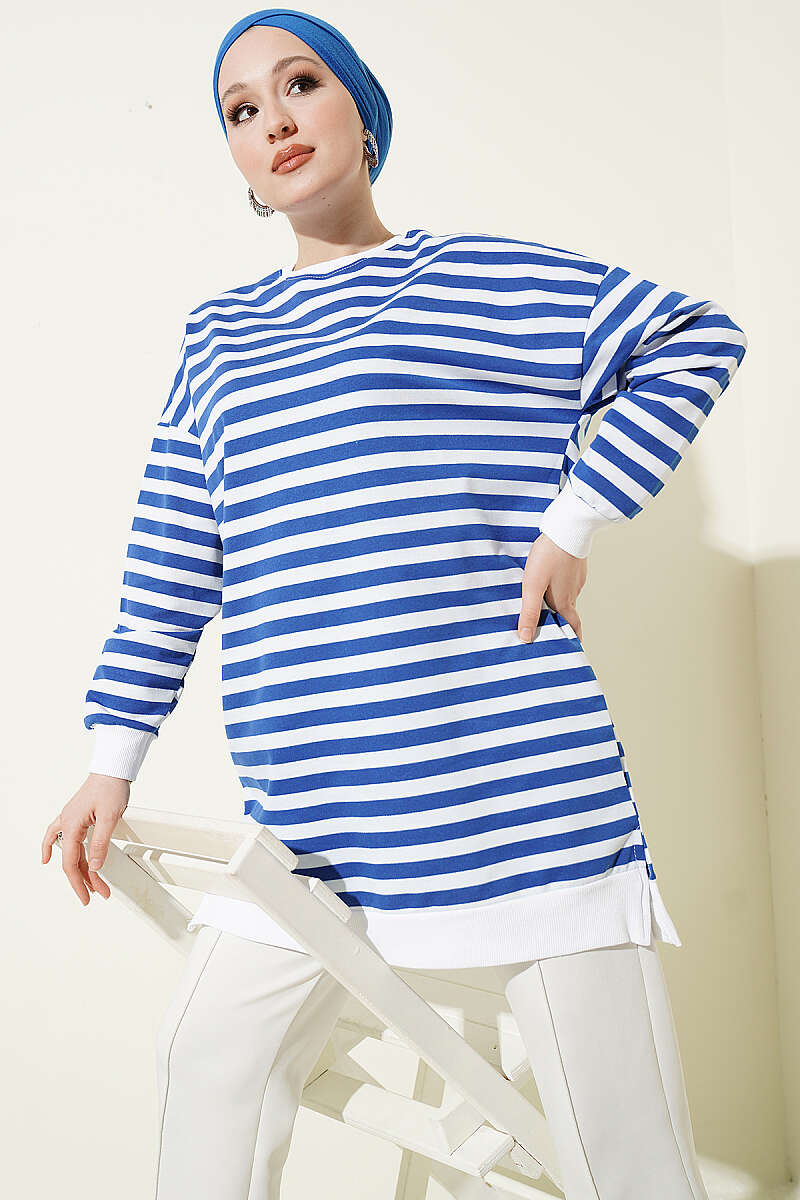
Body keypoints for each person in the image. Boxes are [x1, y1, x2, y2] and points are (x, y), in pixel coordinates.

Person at [41, 8, 748, 1198]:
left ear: (361, 116)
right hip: (309, 831)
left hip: (522, 802)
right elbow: (169, 565)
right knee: (207, 1064)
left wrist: (574, 518)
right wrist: (112, 763)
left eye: (299, 85)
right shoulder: (218, 342)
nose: (274, 122)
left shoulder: (478, 278)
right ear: (238, 160)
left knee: (622, 1151)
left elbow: (693, 335)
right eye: (241, 110)